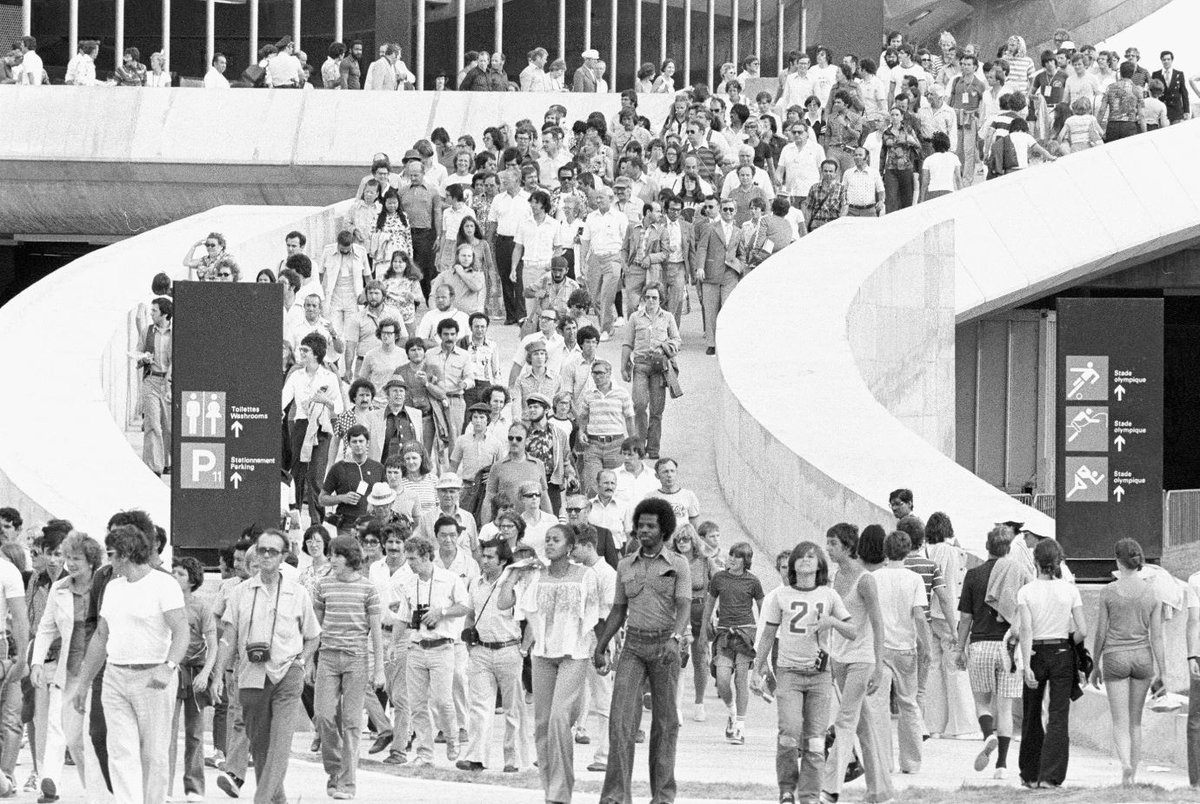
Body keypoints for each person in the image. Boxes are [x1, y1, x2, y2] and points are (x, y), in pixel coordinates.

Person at [72, 524, 187, 804]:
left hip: (153, 677)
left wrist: (169, 666)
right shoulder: (112, 587)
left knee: (154, 755)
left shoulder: (164, 584)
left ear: (125, 554)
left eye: (111, 553)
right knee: (121, 751)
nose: (108, 561)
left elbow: (182, 630)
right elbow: (101, 636)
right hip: (115, 676)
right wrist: (84, 683)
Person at [212, 529, 321, 803]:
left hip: (287, 672)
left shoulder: (298, 593)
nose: (267, 556)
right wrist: (216, 675)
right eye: (262, 550)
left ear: (284, 556)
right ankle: (278, 799)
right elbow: (228, 637)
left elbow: (313, 635)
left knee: (280, 742)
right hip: (251, 675)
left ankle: (261, 799)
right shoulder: (239, 594)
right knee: (261, 747)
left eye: (274, 551)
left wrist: (302, 661)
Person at [594, 498, 690, 804]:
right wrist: (601, 644)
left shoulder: (678, 564)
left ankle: (662, 796)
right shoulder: (625, 565)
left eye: (651, 526)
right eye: (640, 525)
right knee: (620, 720)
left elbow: (685, 605)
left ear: (664, 530)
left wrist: (676, 637)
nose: (643, 530)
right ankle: (615, 796)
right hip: (633, 646)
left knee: (665, 722)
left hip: (665, 646)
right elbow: (618, 610)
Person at [500, 524, 599, 803]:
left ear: (569, 547)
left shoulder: (584, 576)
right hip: (542, 654)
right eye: (547, 540)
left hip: (574, 655)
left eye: (556, 540)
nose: (550, 544)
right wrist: (513, 573)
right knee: (542, 725)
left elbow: (593, 617)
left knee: (558, 719)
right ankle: (550, 791)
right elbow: (503, 603)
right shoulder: (535, 576)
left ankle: (561, 791)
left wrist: (601, 651)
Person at [752, 541, 854, 804]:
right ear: (793, 564)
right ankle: (787, 789)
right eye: (802, 557)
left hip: (820, 675)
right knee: (789, 731)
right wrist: (757, 669)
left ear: (820, 563)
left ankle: (809, 795)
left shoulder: (830, 596)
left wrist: (831, 621)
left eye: (812, 556)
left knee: (816, 740)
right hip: (789, 673)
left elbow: (852, 631)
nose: (807, 560)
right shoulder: (781, 596)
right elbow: (767, 636)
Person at [30, 533, 104, 804]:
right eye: (67, 558)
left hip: (98, 673)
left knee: (82, 738)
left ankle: (95, 790)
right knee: (55, 727)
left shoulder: (105, 587)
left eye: (76, 559)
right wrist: (37, 662)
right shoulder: (59, 588)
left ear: (91, 561)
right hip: (67, 669)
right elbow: (46, 628)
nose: (70, 564)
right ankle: (49, 782)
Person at [312, 535, 385, 799]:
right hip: (328, 657)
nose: (331, 560)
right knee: (322, 715)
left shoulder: (368, 589)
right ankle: (334, 770)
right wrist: (310, 659)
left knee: (352, 722)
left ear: (349, 558)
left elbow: (375, 632)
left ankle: (347, 783)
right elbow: (315, 627)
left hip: (356, 659)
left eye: (335, 555)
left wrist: (379, 669)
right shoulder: (323, 586)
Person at [391, 536, 472, 766]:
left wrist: (441, 612)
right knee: (417, 704)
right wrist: (392, 645)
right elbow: (403, 618)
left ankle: (452, 735)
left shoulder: (449, 579)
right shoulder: (409, 583)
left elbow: (464, 606)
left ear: (426, 557)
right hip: (417, 646)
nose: (410, 564)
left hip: (441, 646)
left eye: (414, 559)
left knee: (441, 700)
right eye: (408, 559)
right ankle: (425, 752)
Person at [1090, 538, 1165, 785]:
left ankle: (1124, 765)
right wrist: (1163, 671)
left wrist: (1095, 663)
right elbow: (1157, 636)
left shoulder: (1108, 592)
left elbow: (1101, 631)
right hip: (1143, 656)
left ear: (1117, 561)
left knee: (1119, 721)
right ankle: (1133, 777)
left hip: (1115, 657)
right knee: (1135, 721)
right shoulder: (1153, 593)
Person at [1017, 538, 1087, 789]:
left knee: (1032, 713)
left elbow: (1025, 630)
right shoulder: (1070, 590)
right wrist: (1070, 643)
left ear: (1035, 561)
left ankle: (1030, 773)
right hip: (1061, 651)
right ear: (1058, 562)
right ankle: (1051, 775)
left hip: (1036, 651)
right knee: (1058, 715)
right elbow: (1083, 630)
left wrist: (1025, 665)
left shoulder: (1026, 591)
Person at [456, 537, 529, 773]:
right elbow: (470, 613)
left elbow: (530, 619)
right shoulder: (476, 583)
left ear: (503, 561)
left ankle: (513, 759)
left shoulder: (514, 585)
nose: (484, 561)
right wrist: (470, 642)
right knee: (479, 706)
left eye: (490, 557)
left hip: (508, 648)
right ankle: (476, 756)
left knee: (513, 708)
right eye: (483, 556)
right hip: (481, 651)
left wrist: (523, 649)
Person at [866, 529, 929, 775]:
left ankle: (883, 760)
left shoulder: (874, 578)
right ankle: (911, 762)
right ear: (908, 550)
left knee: (878, 706)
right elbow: (920, 617)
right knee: (909, 704)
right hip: (906, 648)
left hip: (879, 647)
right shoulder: (914, 579)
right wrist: (926, 646)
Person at [167, 557, 218, 802]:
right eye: (173, 572)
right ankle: (163, 787)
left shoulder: (202, 607)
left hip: (195, 671)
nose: (175, 577)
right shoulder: (165, 605)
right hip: (172, 670)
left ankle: (194, 788)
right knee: (167, 731)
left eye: (181, 574)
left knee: (195, 733)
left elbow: (213, 644)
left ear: (192, 580)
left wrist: (206, 673)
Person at [703, 542, 764, 745]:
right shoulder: (719, 578)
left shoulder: (753, 582)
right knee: (722, 679)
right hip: (724, 633)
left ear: (745, 560)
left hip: (745, 632)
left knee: (740, 680)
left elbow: (763, 610)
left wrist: (764, 636)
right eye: (730, 554)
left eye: (737, 556)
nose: (731, 559)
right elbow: (709, 606)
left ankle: (740, 726)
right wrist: (705, 629)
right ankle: (732, 711)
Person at [282, 333, 345, 524]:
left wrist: (324, 401)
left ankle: (317, 524)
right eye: (301, 349)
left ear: (316, 353)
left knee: (316, 477)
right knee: (297, 475)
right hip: (301, 426)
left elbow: (340, 408)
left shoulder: (330, 377)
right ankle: (295, 523)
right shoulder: (296, 376)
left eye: (306, 350)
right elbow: (283, 399)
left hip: (322, 428)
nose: (302, 353)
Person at [621, 284, 680, 460]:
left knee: (657, 409)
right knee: (639, 404)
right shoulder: (635, 317)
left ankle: (653, 448)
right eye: (647, 297)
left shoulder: (668, 317)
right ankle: (639, 446)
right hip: (640, 365)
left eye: (654, 297)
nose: (651, 301)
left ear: (660, 299)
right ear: (643, 299)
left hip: (658, 367)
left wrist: (665, 347)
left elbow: (677, 340)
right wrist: (623, 365)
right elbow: (627, 342)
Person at [695, 200, 743, 355]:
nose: (728, 212)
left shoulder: (738, 231)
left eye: (731, 209)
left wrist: (740, 266)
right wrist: (700, 267)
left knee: (727, 308)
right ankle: (712, 343)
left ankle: (726, 341)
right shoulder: (710, 228)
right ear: (720, 211)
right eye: (725, 209)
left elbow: (741, 252)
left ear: (735, 211)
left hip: (730, 274)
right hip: (711, 272)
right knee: (711, 309)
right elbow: (702, 247)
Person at [136, 296, 173, 477]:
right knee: (153, 425)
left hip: (169, 383)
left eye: (154, 311)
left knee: (168, 427)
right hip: (151, 380)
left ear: (164, 314)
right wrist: (143, 358)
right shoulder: (147, 331)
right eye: (151, 310)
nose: (151, 314)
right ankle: (153, 468)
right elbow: (138, 352)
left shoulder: (176, 332)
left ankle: (166, 463)